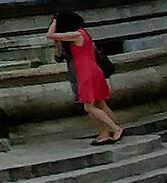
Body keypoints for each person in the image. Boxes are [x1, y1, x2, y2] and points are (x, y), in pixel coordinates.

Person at [47, 11, 123, 144]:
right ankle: (107, 132)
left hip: (86, 73)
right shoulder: (83, 32)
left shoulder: (76, 35)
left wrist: (56, 20)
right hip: (93, 70)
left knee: (89, 107)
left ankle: (115, 128)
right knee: (100, 103)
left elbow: (50, 35)